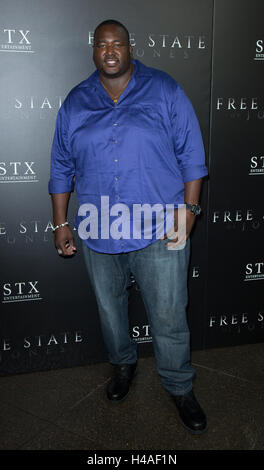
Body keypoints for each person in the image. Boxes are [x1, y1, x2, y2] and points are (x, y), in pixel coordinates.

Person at [49, 19, 208, 435]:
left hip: (160, 228)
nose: (110, 51)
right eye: (102, 45)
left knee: (170, 315)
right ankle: (122, 367)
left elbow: (192, 153)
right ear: (93, 51)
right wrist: (60, 222)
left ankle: (179, 386)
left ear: (130, 48)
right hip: (99, 229)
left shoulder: (165, 89)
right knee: (110, 312)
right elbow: (61, 167)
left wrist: (189, 211)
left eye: (117, 43)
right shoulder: (75, 102)